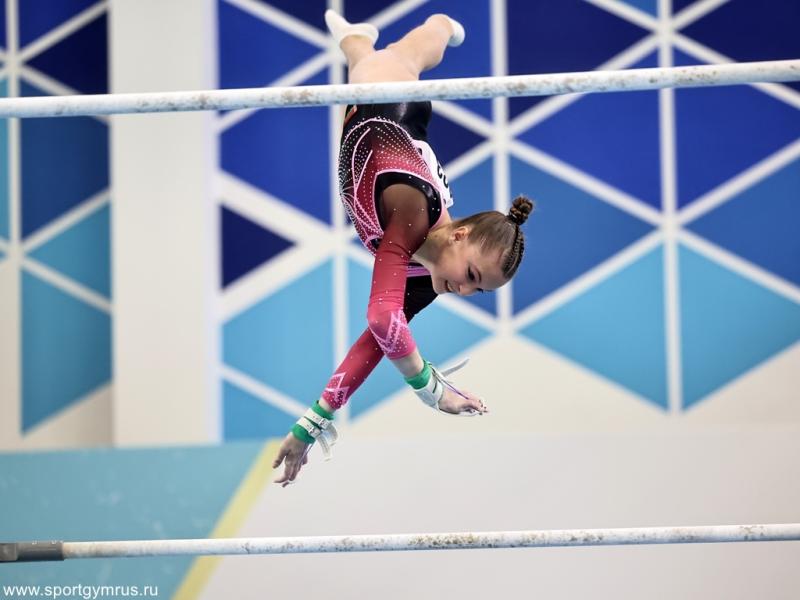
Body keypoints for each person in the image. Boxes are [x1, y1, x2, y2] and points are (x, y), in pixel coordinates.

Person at [273, 10, 534, 486]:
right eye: (472, 276)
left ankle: (356, 38)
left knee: (363, 57)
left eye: (478, 290)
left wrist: (308, 426)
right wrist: (433, 390)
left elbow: (377, 342)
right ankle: (440, 24)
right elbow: (381, 318)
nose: (463, 291)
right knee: (403, 58)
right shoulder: (411, 209)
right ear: (459, 235)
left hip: (381, 132)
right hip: (386, 100)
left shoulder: (429, 274)